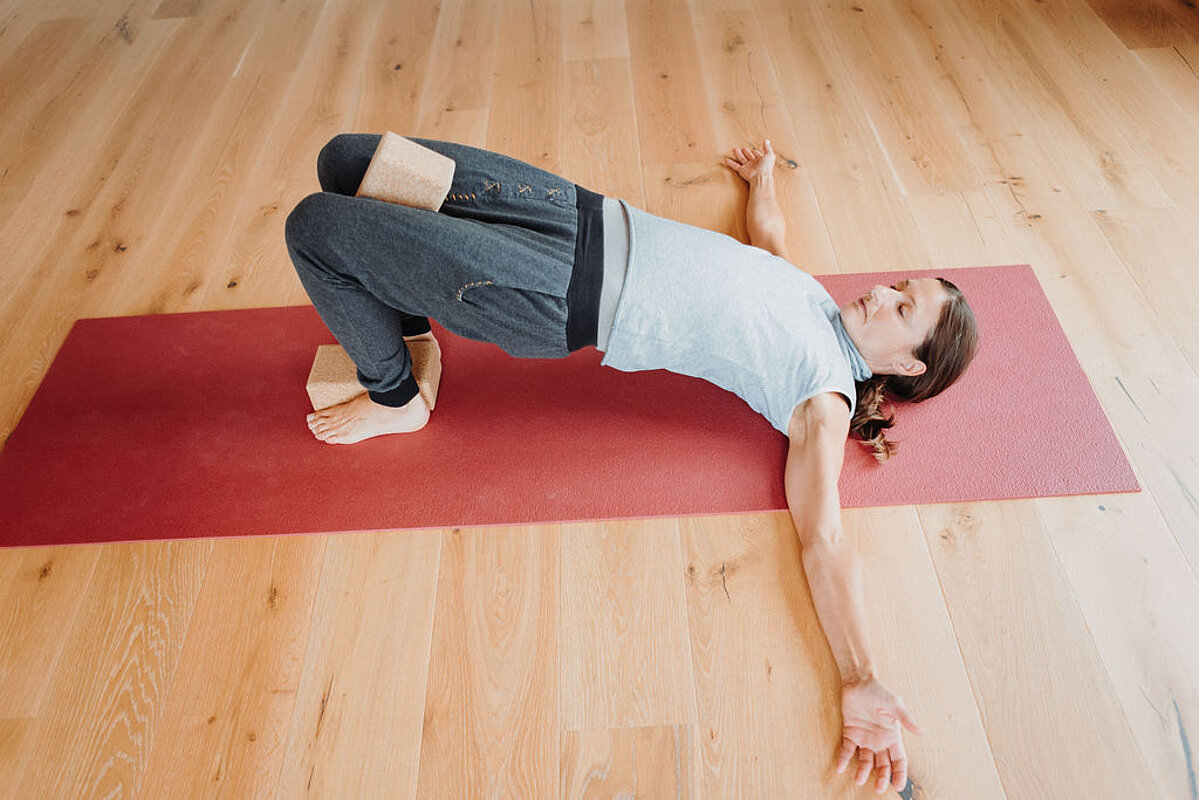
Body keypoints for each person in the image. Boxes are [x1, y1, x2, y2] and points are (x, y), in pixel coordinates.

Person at [285, 134, 979, 795]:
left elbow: (824, 539)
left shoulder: (822, 399)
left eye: (902, 308)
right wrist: (763, 179)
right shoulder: (818, 303)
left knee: (315, 227)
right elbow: (769, 239)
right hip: (577, 212)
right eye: (896, 285)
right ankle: (407, 325)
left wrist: (860, 674)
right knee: (346, 162)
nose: (880, 294)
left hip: (552, 289)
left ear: (908, 365)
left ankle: (397, 395)